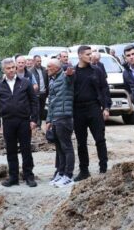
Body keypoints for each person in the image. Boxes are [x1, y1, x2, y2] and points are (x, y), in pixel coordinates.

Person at [0, 58, 38, 187]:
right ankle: (13, 177)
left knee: (26, 149)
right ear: (4, 70)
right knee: (11, 150)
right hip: (8, 122)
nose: (12, 70)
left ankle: (29, 176)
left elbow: (34, 102)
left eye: (13, 67)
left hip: (24, 121)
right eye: (8, 68)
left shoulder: (25, 82)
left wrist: (34, 120)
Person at [72, 45, 110, 180]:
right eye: (88, 54)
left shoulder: (97, 70)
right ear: (80, 55)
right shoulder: (73, 72)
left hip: (94, 108)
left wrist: (106, 107)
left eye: (91, 53)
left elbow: (105, 89)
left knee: (100, 139)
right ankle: (84, 170)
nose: (91, 56)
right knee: (81, 142)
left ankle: (103, 169)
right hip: (78, 110)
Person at [45, 59, 75, 187]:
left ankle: (69, 175)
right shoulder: (52, 80)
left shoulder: (64, 77)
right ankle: (61, 173)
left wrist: (70, 74)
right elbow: (51, 102)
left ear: (57, 68)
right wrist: (48, 120)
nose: (47, 69)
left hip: (64, 117)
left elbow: (71, 78)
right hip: (56, 118)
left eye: (49, 67)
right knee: (59, 148)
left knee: (66, 147)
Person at [28, 55, 49, 127]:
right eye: (37, 61)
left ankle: (39, 123)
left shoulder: (44, 69)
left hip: (44, 92)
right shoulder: (30, 71)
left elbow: (47, 80)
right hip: (35, 93)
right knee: (37, 108)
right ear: (34, 61)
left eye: (40, 61)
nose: (39, 63)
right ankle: (38, 124)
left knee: (42, 108)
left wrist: (47, 89)